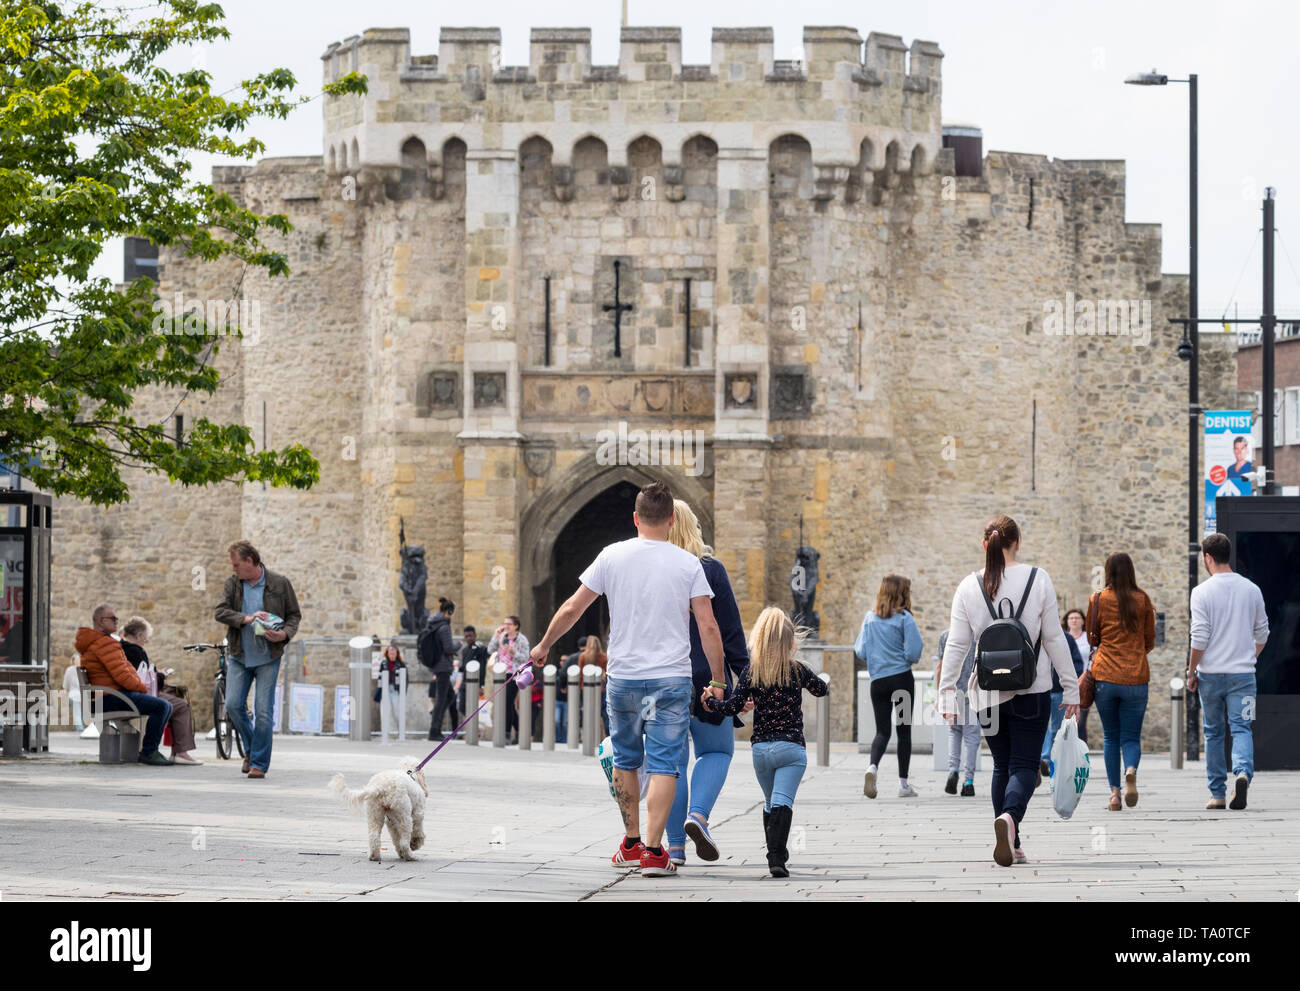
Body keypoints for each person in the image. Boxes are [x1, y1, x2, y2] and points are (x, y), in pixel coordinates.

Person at [528, 481, 725, 878]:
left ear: (635, 518)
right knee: (667, 765)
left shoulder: (610, 557)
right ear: (671, 520)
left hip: (624, 679)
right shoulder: (688, 565)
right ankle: (655, 852)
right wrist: (718, 679)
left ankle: (631, 842)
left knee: (626, 759)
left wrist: (544, 645)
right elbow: (708, 625)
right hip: (671, 678)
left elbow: (572, 607)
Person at [938, 515, 1079, 867]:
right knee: (1024, 765)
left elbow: (957, 645)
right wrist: (1072, 688)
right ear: (1018, 542)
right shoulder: (1038, 578)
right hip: (1032, 689)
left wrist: (944, 692)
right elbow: (1054, 638)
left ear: (984, 544)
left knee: (1002, 764)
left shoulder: (969, 586)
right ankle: (1011, 820)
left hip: (986, 692)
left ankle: (1009, 837)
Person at [704, 606, 828, 878]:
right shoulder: (797, 670)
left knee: (770, 802)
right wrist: (812, 680)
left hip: (761, 749)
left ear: (758, 638)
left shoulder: (752, 671)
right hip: (791, 747)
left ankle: (777, 854)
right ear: (790, 641)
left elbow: (732, 706)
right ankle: (776, 859)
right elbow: (822, 689)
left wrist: (710, 701)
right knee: (782, 802)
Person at [665, 498, 751, 867]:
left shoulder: (652, 569)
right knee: (716, 753)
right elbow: (729, 630)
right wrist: (745, 681)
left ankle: (674, 848)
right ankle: (697, 816)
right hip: (708, 677)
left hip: (662, 676)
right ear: (693, 528)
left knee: (670, 764)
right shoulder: (710, 569)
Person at [1187, 533, 1269, 811]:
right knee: (1242, 727)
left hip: (1210, 675)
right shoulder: (1252, 590)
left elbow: (1199, 638)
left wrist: (1191, 671)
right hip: (1243, 675)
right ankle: (1243, 773)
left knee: (1213, 733)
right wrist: (1249, 656)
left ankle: (1217, 794)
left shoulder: (1201, 592)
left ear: (1208, 558)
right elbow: (1263, 633)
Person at [214, 540, 302, 779]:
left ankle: (259, 764)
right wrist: (246, 618)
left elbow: (294, 615)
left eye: (236, 565)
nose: (233, 569)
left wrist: (283, 634)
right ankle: (253, 750)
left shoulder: (279, 583)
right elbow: (219, 611)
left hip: (268, 657)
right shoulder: (233, 584)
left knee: (263, 711)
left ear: (250, 561)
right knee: (233, 705)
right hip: (239, 655)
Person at [1085, 554, 1155, 811]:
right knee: (1131, 737)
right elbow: (1150, 640)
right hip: (1136, 676)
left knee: (1110, 737)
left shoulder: (1098, 599)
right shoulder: (1142, 599)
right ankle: (1131, 770)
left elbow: (1093, 638)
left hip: (1105, 675)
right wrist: (1134, 652)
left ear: (1108, 572)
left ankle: (1114, 795)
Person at [74, 605, 174, 765]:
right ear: (100, 621)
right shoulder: (104, 644)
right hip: (109, 698)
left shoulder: (100, 642)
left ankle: (150, 750)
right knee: (162, 706)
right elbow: (123, 676)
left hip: (105, 697)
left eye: (116, 618)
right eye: (112, 618)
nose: (116, 622)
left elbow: (126, 671)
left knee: (166, 706)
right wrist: (143, 689)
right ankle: (149, 751)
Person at [855, 574, 923, 799]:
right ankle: (903, 785)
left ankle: (872, 767)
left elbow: (861, 651)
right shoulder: (905, 618)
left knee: (882, 731)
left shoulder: (869, 618)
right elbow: (914, 652)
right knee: (903, 732)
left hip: (879, 683)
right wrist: (901, 657)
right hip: (901, 680)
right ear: (902, 593)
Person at [120, 616, 204, 765]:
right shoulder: (135, 651)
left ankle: (176, 751)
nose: (146, 642)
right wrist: (161, 675)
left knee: (173, 702)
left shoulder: (122, 648)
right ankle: (178, 752)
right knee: (181, 705)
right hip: (137, 694)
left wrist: (156, 672)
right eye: (146, 639)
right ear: (139, 635)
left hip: (130, 693)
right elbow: (141, 680)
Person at [1040, 611, 1087, 777]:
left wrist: (1069, 684)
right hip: (1041, 690)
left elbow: (1076, 663)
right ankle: (1045, 758)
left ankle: (1051, 759)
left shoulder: (1066, 639)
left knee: (1057, 728)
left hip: (1058, 691)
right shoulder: (1035, 636)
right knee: (1043, 727)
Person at [935, 629, 978, 796]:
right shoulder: (977, 636)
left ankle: (953, 770)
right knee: (972, 737)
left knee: (954, 732)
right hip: (972, 692)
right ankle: (968, 782)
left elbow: (940, 667)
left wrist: (940, 694)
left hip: (951, 691)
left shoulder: (946, 635)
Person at [488, 616, 530, 745]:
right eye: (504, 623)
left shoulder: (522, 640)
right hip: (501, 673)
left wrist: (513, 652)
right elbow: (490, 650)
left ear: (516, 626)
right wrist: (496, 636)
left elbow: (526, 658)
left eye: (509, 624)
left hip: (514, 674)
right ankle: (519, 730)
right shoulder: (501, 637)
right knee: (507, 704)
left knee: (507, 703)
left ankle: (506, 733)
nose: (506, 626)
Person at [420, 598, 456, 741]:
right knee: (441, 699)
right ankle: (434, 730)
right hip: (443, 667)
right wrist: (458, 645)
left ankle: (436, 720)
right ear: (450, 611)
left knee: (449, 696)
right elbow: (448, 648)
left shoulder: (433, 624)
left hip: (436, 665)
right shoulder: (444, 627)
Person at [1063, 607, 1092, 744]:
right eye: (1071, 618)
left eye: (1077, 618)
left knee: (1080, 721)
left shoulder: (1088, 638)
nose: (1074, 620)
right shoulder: (1062, 638)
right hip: (1065, 683)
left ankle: (1081, 751)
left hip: (1084, 682)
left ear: (1082, 621)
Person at [555, 636, 585, 740]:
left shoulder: (572, 658)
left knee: (574, 713)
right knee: (590, 713)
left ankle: (573, 737)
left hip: (575, 690)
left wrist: (563, 686)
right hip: (593, 690)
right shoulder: (596, 656)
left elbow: (563, 673)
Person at [580, 634, 609, 736]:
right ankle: (601, 735)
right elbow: (607, 673)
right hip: (600, 688)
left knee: (588, 711)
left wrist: (580, 688)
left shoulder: (583, 657)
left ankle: (587, 735)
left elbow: (580, 675)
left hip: (586, 688)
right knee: (601, 712)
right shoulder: (604, 657)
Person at [457, 626, 488, 722]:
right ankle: (473, 724)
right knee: (462, 706)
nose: (468, 638)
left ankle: (475, 728)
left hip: (476, 683)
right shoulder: (464, 650)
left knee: (474, 706)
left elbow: (482, 668)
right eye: (466, 636)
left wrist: (481, 685)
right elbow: (463, 667)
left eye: (470, 636)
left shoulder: (481, 649)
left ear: (475, 636)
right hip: (464, 683)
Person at [377, 640, 408, 732]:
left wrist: (403, 692)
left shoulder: (401, 664)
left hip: (396, 690)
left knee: (397, 712)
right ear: (387, 654)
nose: (392, 655)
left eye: (393, 654)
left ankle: (400, 732)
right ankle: (384, 733)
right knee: (384, 712)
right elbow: (380, 677)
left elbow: (406, 679)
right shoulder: (383, 664)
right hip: (385, 689)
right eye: (390, 653)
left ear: (397, 654)